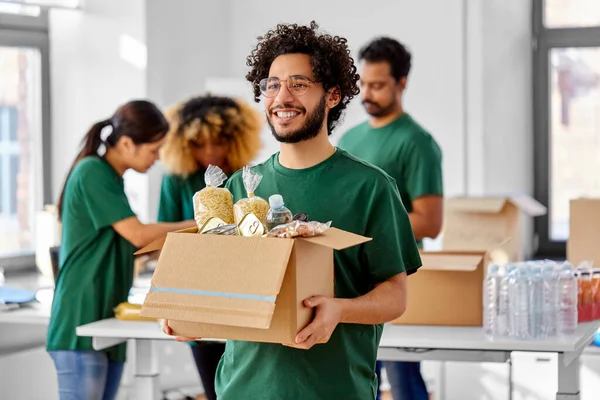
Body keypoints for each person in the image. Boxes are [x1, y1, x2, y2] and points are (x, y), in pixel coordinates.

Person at [163, 21, 423, 399]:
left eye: (298, 84)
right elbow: (221, 289)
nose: (281, 97)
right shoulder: (237, 187)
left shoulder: (371, 187)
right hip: (242, 389)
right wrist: (190, 317)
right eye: (272, 84)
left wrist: (339, 310)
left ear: (332, 96)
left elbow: (395, 296)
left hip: (333, 390)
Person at [47, 100, 196, 400]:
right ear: (127, 143)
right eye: (154, 150)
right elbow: (139, 234)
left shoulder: (112, 179)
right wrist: (198, 223)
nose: (157, 158)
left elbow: (133, 247)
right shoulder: (92, 171)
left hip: (106, 316)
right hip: (81, 318)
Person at [339, 37, 444, 400]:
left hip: (390, 277)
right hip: (347, 279)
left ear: (401, 83)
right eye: (364, 83)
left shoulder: (417, 143)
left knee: (402, 379)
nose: (367, 93)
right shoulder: (350, 138)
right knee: (358, 378)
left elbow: (430, 222)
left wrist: (368, 224)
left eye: (379, 85)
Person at [157, 94, 262, 400]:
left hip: (244, 295)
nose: (210, 152)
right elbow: (166, 241)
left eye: (218, 143)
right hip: (197, 294)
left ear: (236, 140)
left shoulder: (250, 179)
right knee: (213, 388)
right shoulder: (176, 180)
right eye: (199, 144)